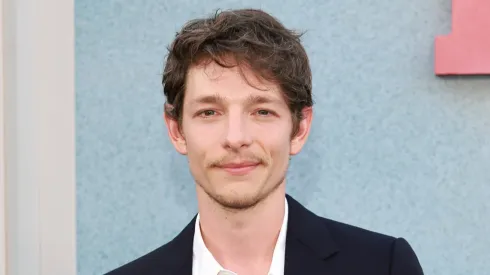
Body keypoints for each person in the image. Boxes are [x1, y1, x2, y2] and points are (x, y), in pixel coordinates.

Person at [106, 8, 424, 275]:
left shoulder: (383, 267)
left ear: (299, 129)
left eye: (261, 111)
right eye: (209, 112)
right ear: (176, 131)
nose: (235, 138)